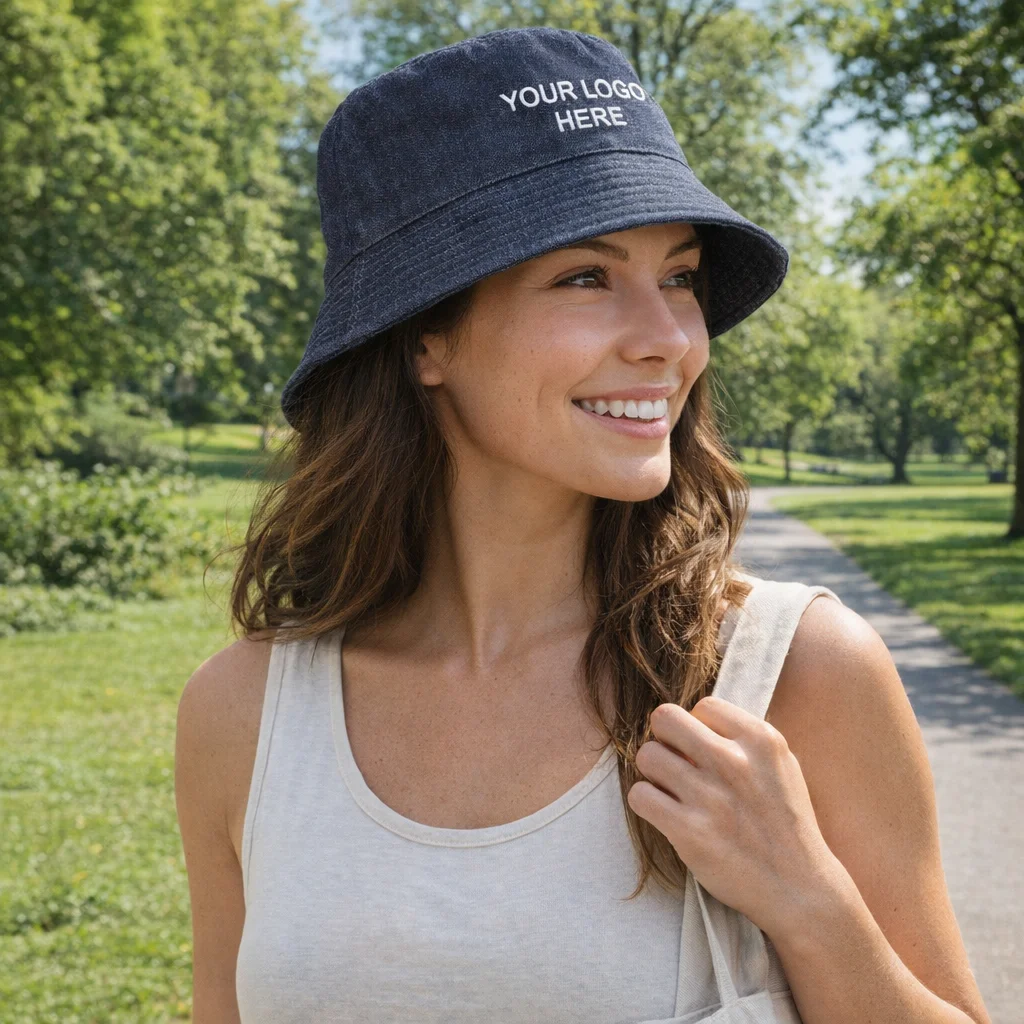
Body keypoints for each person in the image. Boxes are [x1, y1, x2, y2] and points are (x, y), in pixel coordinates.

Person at [174, 26, 991, 1024]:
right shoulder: (245, 713)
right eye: (585, 277)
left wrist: (809, 900)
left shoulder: (793, 675)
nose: (668, 338)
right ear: (425, 337)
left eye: (680, 277)